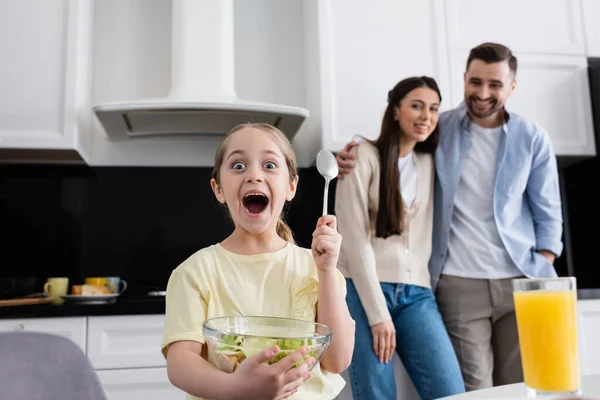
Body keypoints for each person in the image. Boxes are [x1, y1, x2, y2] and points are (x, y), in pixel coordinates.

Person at [335, 43, 564, 391]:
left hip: (514, 278)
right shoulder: (439, 130)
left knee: (520, 385)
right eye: (475, 82)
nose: (483, 93)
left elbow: (548, 210)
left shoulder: (530, 138)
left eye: (495, 84)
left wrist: (542, 262)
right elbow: (384, 158)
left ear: (512, 87)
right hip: (456, 282)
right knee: (474, 390)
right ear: (464, 79)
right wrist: (344, 156)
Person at [161, 123, 355, 400]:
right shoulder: (195, 271)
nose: (254, 175)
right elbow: (180, 365)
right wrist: (240, 389)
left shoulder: (318, 268)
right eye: (238, 166)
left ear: (291, 186)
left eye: (269, 165)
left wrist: (325, 271)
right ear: (218, 189)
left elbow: (337, 361)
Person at [335, 76, 465, 400]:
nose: (427, 116)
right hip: (361, 287)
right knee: (377, 392)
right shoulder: (361, 156)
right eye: (417, 106)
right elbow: (352, 240)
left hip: (416, 293)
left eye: (434, 108)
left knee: (452, 392)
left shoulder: (432, 161)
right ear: (395, 111)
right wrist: (378, 315)